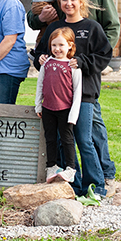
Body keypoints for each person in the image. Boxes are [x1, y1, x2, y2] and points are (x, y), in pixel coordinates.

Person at [28, 0, 119, 194]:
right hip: (57, 98)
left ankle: (98, 185)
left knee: (84, 139)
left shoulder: (92, 28)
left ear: (81, 1)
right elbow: (42, 53)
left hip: (84, 94)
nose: (69, 4)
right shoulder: (56, 27)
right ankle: (75, 185)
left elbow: (104, 53)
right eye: (64, 0)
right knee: (62, 141)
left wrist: (85, 63)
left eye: (73, 0)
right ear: (60, 2)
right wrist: (40, 60)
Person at [35, 27, 82, 184]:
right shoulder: (46, 63)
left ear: (70, 45)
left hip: (65, 109)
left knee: (67, 139)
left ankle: (70, 169)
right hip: (48, 108)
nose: (57, 49)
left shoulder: (73, 66)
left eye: (61, 45)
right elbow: (40, 84)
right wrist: (38, 105)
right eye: (54, 45)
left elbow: (77, 92)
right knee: (50, 138)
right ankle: (52, 167)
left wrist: (73, 114)